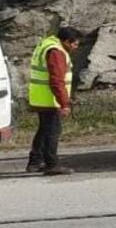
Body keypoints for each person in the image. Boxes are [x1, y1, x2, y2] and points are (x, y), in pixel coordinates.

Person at [26, 27, 82, 175]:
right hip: (49, 99)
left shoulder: (46, 44)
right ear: (66, 41)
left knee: (44, 130)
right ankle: (51, 164)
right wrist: (64, 103)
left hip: (41, 97)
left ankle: (35, 161)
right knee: (52, 131)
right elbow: (57, 80)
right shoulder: (56, 52)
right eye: (74, 44)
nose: (76, 48)